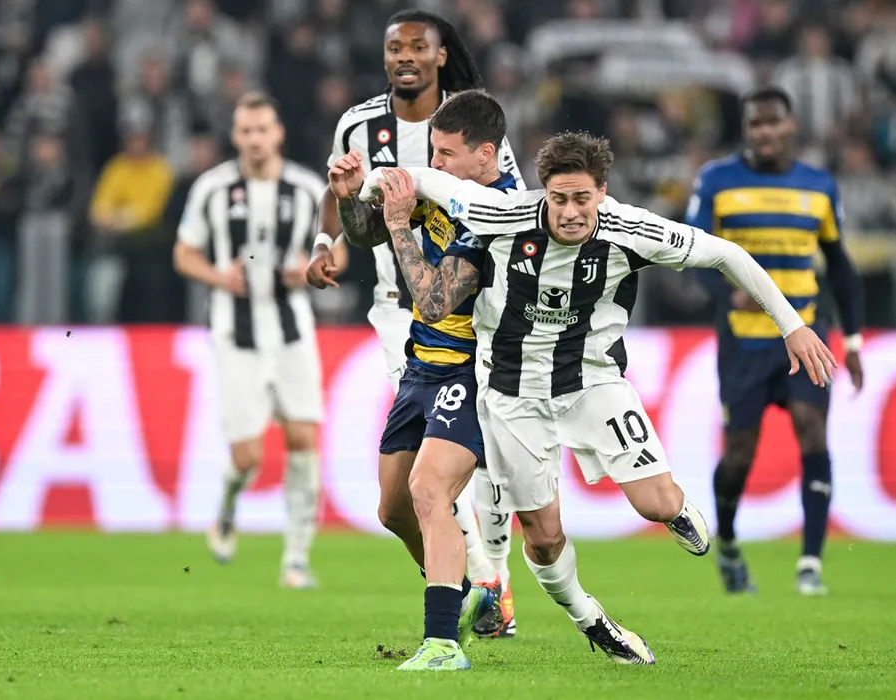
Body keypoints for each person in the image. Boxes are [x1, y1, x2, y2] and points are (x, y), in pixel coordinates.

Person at [361, 130, 836, 666]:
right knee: (543, 538)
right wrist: (370, 186)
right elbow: (421, 178)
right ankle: (592, 620)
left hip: (592, 382)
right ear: (543, 192)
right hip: (513, 396)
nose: (569, 212)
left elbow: (726, 254)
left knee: (655, 504)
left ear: (602, 193)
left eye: (582, 199)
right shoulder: (501, 213)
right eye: (559, 199)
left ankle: (677, 509)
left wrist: (792, 325)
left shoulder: (631, 228)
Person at [308, 8, 524, 638]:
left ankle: (490, 578)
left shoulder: (472, 127)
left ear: (439, 55)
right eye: (394, 47)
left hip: (469, 316)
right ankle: (475, 585)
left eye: (417, 46)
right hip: (393, 310)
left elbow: (508, 207)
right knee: (404, 497)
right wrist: (329, 236)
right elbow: (347, 202)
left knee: (458, 468)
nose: (404, 55)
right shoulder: (359, 124)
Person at [686, 85, 863, 596]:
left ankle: (810, 564)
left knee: (812, 428)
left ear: (790, 126)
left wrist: (852, 339)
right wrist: (726, 294)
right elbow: (690, 254)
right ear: (746, 129)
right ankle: (728, 544)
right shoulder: (717, 181)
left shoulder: (819, 186)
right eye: (754, 124)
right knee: (740, 452)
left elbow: (841, 266)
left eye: (772, 122)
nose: (763, 132)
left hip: (806, 334)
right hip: (745, 341)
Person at [173, 92, 327, 589]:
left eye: (263, 129)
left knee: (303, 438)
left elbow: (338, 255)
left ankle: (296, 559)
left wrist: (312, 270)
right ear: (235, 136)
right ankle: (226, 507)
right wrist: (220, 278)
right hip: (235, 333)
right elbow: (184, 253)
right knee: (248, 458)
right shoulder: (212, 189)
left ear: (277, 133)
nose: (256, 139)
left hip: (292, 329)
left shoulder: (307, 189)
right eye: (246, 131)